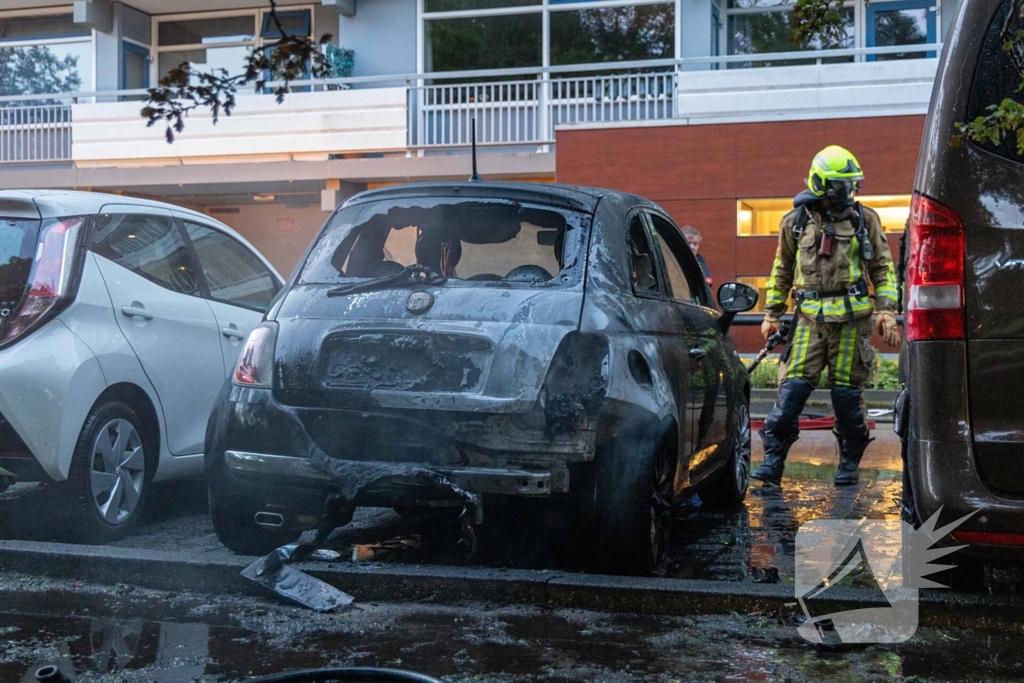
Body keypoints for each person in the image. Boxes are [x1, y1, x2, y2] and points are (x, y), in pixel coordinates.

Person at [751, 145, 902, 487]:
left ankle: (848, 462)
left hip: (852, 322)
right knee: (790, 395)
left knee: (847, 398)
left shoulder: (865, 220)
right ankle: (773, 461)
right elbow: (781, 270)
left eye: (851, 184)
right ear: (821, 184)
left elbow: (883, 268)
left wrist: (886, 312)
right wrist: (772, 314)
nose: (848, 192)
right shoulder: (795, 222)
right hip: (808, 321)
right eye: (840, 185)